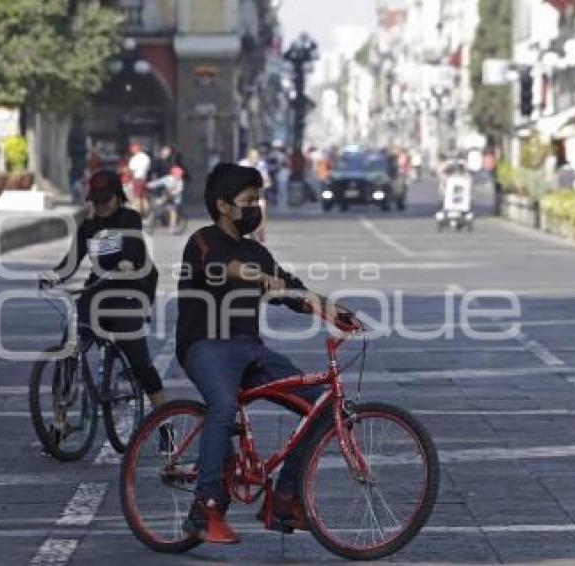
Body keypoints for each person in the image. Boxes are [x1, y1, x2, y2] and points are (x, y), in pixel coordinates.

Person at [176, 162, 350, 543]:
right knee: (222, 407)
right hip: (204, 345)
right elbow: (219, 268)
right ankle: (204, 509)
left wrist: (332, 309)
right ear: (223, 205)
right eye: (249, 200)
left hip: (249, 349)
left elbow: (290, 289)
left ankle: (285, 499)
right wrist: (257, 276)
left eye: (259, 199)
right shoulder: (202, 241)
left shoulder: (257, 251)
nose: (256, 208)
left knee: (321, 407)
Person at [50, 169, 167, 411]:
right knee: (67, 351)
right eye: (96, 201)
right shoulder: (88, 227)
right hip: (99, 287)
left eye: (106, 200)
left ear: (118, 196)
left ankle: (165, 423)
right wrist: (54, 275)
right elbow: (71, 261)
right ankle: (58, 425)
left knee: (138, 360)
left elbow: (133, 244)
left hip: (131, 288)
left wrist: (126, 261)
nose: (101, 205)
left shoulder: (129, 218)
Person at [238, 149, 270, 243]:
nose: (255, 160)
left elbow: (267, 180)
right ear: (248, 158)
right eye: (253, 158)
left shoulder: (261, 165)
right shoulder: (242, 165)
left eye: (257, 157)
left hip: (257, 194)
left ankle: (261, 229)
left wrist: (265, 184)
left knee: (262, 206)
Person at [146, 165, 185, 234]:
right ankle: (149, 221)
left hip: (175, 199)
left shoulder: (180, 182)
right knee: (156, 207)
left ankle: (171, 228)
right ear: (173, 174)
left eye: (180, 175)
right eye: (178, 175)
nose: (179, 176)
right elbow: (158, 183)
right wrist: (148, 185)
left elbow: (178, 191)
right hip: (166, 196)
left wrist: (170, 194)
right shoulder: (168, 179)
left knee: (173, 211)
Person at [128, 143, 152, 216]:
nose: (131, 151)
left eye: (132, 149)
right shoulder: (146, 157)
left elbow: (131, 170)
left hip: (136, 179)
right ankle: (147, 214)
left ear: (136, 149)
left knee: (137, 197)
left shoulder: (135, 158)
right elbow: (148, 168)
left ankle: (136, 214)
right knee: (144, 197)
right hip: (144, 179)